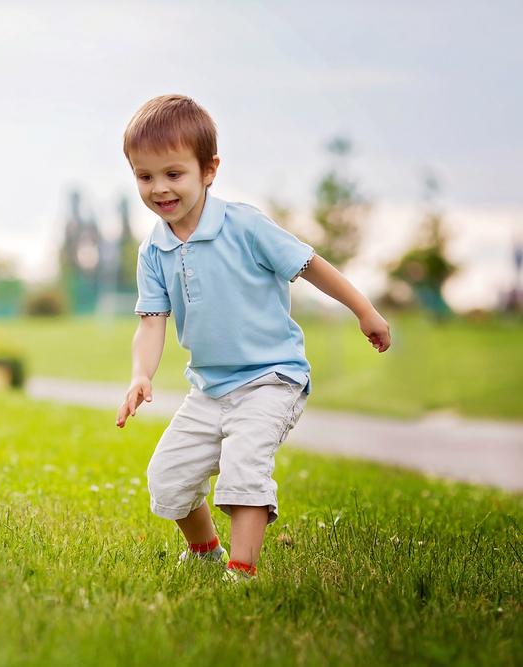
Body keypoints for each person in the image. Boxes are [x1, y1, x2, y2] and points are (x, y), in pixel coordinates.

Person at [115, 95, 390, 581]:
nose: (159, 189)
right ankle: (205, 551)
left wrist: (363, 310)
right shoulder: (153, 249)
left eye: (173, 174)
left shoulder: (244, 225)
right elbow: (152, 321)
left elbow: (310, 266)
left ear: (209, 170)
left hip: (272, 378)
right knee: (168, 478)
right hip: (209, 387)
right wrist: (141, 373)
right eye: (145, 176)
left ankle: (241, 573)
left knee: (244, 469)